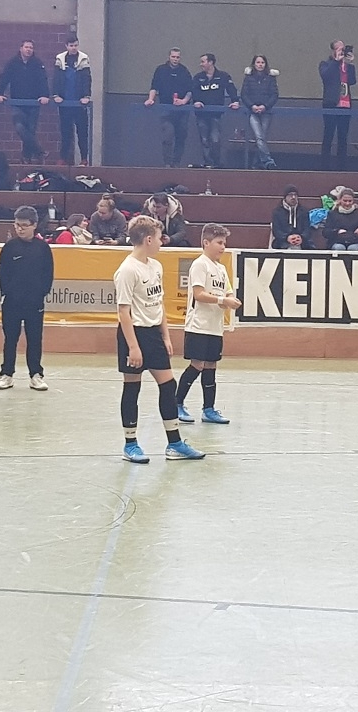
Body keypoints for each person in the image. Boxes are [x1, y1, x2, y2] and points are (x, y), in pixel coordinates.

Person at [114, 215, 204, 463]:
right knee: (132, 386)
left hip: (153, 333)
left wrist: (165, 336)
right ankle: (130, 444)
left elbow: (158, 303)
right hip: (134, 333)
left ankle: (174, 444)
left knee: (167, 385)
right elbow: (123, 312)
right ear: (148, 239)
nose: (162, 242)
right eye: (159, 238)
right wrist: (133, 347)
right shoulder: (127, 270)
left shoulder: (155, 266)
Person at [175, 223, 240, 425]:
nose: (223, 247)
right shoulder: (200, 265)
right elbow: (199, 294)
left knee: (211, 365)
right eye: (219, 243)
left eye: (224, 243)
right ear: (206, 243)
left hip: (215, 326)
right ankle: (177, 403)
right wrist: (222, 300)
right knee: (197, 364)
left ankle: (209, 409)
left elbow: (228, 292)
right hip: (198, 325)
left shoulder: (221, 269)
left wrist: (231, 300)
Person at [0, 206, 54, 392]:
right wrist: (6, 293)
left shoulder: (43, 248)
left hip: (34, 302)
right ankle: (7, 374)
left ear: (34, 225)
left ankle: (36, 375)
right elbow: (2, 272)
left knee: (34, 339)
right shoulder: (9, 247)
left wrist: (41, 293)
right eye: (17, 225)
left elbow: (48, 274)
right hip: (11, 302)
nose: (20, 229)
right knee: (10, 339)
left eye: (24, 225)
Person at [0, 40, 51, 164]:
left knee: (30, 130)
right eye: (26, 47)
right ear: (21, 48)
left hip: (34, 104)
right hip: (17, 103)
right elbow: (4, 78)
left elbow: (43, 80)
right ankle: (39, 151)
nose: (29, 49)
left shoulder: (37, 63)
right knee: (20, 127)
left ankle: (26, 158)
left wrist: (45, 95)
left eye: (31, 47)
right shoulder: (12, 63)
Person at [145, 48, 193, 167]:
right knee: (168, 136)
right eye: (173, 57)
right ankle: (167, 163)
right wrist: (151, 99)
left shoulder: (184, 71)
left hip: (182, 110)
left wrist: (183, 101)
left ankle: (176, 163)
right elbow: (154, 87)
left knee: (181, 137)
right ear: (169, 57)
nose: (175, 59)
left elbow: (190, 91)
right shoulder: (161, 70)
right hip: (166, 109)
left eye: (177, 57)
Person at [191, 53, 239, 168]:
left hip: (216, 114)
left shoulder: (223, 76)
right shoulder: (198, 77)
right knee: (204, 140)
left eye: (203, 61)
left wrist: (235, 101)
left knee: (215, 139)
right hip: (201, 114)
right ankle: (208, 163)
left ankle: (216, 163)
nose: (201, 64)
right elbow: (194, 92)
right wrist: (196, 101)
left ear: (211, 62)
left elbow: (231, 89)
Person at [52, 35, 92, 167]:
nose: (73, 48)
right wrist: (56, 95)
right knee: (65, 132)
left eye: (75, 45)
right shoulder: (60, 59)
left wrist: (86, 96)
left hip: (80, 104)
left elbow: (87, 79)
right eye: (71, 46)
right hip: (65, 104)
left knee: (82, 132)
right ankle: (63, 158)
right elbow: (56, 79)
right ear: (66, 46)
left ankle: (84, 159)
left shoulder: (83, 59)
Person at [318, 40, 356, 170]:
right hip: (331, 104)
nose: (342, 51)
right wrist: (336, 61)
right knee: (328, 135)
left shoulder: (347, 66)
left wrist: (349, 64)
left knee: (343, 136)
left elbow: (352, 81)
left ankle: (342, 167)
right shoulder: (325, 64)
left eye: (343, 49)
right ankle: (324, 166)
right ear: (333, 50)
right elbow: (326, 76)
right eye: (339, 49)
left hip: (345, 104)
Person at [240, 55, 280, 170]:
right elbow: (244, 94)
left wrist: (265, 106)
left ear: (265, 64)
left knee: (261, 138)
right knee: (259, 137)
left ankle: (256, 164)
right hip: (252, 112)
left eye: (262, 62)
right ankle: (268, 161)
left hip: (266, 112)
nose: (260, 64)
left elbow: (274, 94)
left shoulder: (271, 78)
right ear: (254, 64)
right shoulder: (248, 78)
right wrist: (252, 106)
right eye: (258, 62)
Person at [271, 185, 314, 250]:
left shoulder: (304, 211)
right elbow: (276, 231)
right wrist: (287, 238)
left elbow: (307, 229)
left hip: (302, 243)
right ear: (285, 197)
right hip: (282, 243)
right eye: (290, 195)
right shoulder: (277, 212)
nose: (293, 197)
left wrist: (301, 238)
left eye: (295, 195)